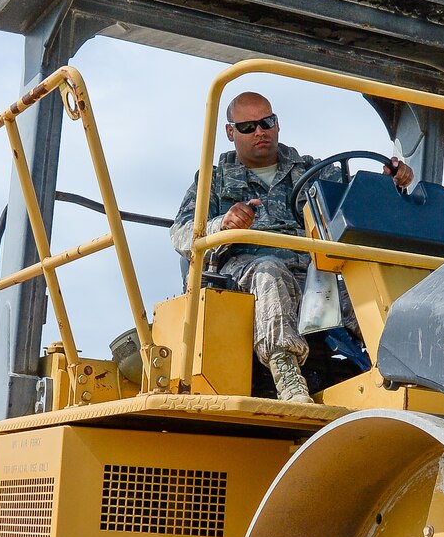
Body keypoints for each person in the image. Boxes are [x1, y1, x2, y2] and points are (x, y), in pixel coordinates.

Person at [170, 91, 412, 402]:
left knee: (368, 285)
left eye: (267, 122)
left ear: (277, 124)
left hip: (312, 273)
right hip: (243, 273)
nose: (260, 131)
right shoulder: (213, 181)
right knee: (271, 271)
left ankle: (404, 374)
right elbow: (181, 233)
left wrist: (389, 182)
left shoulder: (313, 171)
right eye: (248, 127)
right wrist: (223, 224)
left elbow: (356, 204)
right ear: (231, 132)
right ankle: (287, 377)